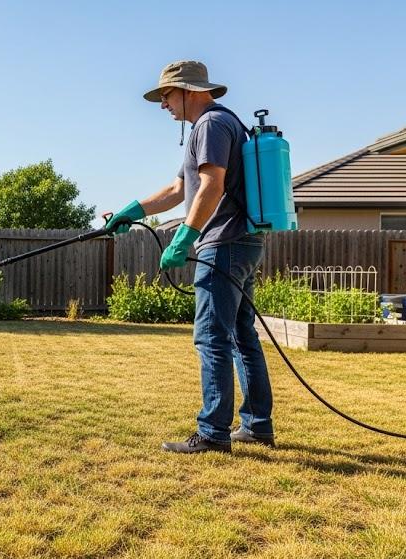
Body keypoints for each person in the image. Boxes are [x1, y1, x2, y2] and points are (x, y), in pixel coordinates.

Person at [106, 60, 275, 454]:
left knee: (212, 337)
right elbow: (178, 188)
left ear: (188, 90)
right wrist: (130, 210)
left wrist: (185, 237)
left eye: (166, 95)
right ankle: (257, 425)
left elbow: (211, 186)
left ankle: (213, 434)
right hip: (243, 240)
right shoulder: (219, 124)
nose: (163, 104)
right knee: (240, 336)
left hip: (224, 241)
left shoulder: (211, 124)